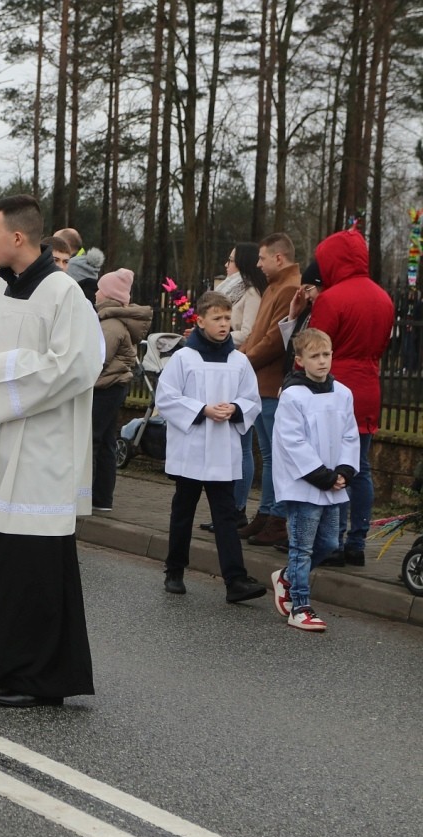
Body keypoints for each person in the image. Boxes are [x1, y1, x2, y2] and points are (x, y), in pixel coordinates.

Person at [0, 194, 100, 708]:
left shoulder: (64, 294)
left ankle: (32, 674)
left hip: (40, 444)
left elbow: (77, 364)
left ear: (17, 237)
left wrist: (1, 366)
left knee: (28, 557)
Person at [155, 290, 266, 602]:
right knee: (183, 512)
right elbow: (166, 398)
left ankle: (235, 581)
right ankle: (174, 571)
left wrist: (235, 408)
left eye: (228, 318)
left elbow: (251, 399)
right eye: (217, 318)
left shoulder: (239, 360)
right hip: (191, 448)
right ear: (200, 320)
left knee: (226, 516)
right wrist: (202, 410)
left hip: (222, 449)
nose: (224, 324)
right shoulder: (183, 358)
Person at [308, 228, 395, 567]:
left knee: (334, 467)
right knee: (361, 468)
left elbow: (317, 345)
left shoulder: (332, 298)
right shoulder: (384, 298)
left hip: (336, 388)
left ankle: (331, 540)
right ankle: (357, 541)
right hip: (369, 386)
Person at [269, 328, 359, 632]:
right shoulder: (293, 395)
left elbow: (349, 434)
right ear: (299, 360)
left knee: (330, 542)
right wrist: (322, 476)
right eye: (314, 356)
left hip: (333, 483)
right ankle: (300, 605)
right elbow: (292, 442)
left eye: (326, 354)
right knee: (302, 547)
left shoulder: (343, 393)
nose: (322, 361)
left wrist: (344, 471)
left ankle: (286, 577)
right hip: (306, 484)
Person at [237, 232, 302, 547]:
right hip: (260, 381)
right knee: (267, 453)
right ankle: (265, 513)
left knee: (276, 455)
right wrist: (246, 355)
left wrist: (246, 357)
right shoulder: (275, 286)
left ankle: (277, 517)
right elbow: (260, 332)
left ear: (279, 257)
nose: (258, 264)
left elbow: (276, 339)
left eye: (262, 258)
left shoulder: (289, 287)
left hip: (272, 383)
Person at [201, 243, 268, 533]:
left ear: (242, 263)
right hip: (226, 363)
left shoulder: (251, 292)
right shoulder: (233, 289)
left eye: (230, 260)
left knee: (241, 445)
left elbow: (249, 331)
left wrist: (221, 331)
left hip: (240, 365)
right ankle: (227, 509)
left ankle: (237, 509)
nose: (227, 265)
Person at [92, 268, 152, 512]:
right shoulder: (116, 321)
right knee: (106, 441)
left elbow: (98, 359)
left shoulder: (111, 325)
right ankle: (102, 499)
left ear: (107, 294)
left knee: (91, 441)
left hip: (105, 386)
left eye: (99, 289)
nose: (95, 293)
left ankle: (85, 495)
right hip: (115, 386)